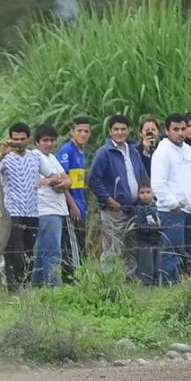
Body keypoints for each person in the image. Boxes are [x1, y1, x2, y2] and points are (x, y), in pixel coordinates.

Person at [0, 122, 41, 292]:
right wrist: (2, 154)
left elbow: (52, 173)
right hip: (12, 212)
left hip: (32, 211)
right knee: (15, 254)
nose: (19, 142)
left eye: (22, 139)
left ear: (28, 139)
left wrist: (51, 180)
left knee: (29, 253)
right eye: (15, 139)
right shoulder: (5, 157)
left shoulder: (35, 156)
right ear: (10, 139)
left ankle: (24, 289)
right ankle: (13, 290)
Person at [88, 114, 147, 278]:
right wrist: (107, 199)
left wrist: (144, 196)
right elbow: (93, 179)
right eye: (116, 129)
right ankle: (108, 282)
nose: (120, 132)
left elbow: (142, 175)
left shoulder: (133, 151)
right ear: (110, 131)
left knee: (131, 247)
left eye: (123, 129)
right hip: (114, 210)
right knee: (112, 248)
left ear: (129, 130)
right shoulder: (104, 152)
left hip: (133, 208)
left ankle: (129, 281)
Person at [152, 113, 191, 282]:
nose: (180, 133)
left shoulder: (189, 150)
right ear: (167, 130)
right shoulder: (162, 152)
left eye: (183, 128)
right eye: (176, 129)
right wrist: (173, 204)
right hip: (172, 210)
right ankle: (170, 288)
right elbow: (158, 184)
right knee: (173, 252)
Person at [31, 124, 75, 287]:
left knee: (43, 250)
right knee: (52, 251)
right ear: (36, 142)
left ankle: (36, 285)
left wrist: (57, 181)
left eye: (52, 140)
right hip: (47, 208)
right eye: (45, 140)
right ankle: (54, 287)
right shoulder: (37, 156)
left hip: (56, 209)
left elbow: (65, 179)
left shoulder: (51, 157)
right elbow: (58, 179)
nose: (49, 144)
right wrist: (57, 181)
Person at [55, 116, 92, 284]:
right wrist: (72, 205)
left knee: (80, 244)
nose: (83, 134)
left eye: (86, 131)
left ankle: (78, 277)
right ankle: (74, 281)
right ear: (72, 131)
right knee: (72, 246)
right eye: (79, 131)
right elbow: (61, 182)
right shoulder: (66, 151)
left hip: (81, 205)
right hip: (71, 208)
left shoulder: (82, 152)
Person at [132, 180, 163, 285]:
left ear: (153, 193)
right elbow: (139, 225)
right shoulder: (138, 208)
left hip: (158, 238)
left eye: (148, 192)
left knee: (159, 262)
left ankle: (158, 282)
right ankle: (146, 283)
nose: (145, 195)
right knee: (146, 263)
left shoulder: (159, 206)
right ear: (138, 194)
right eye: (142, 193)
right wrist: (152, 228)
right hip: (144, 239)